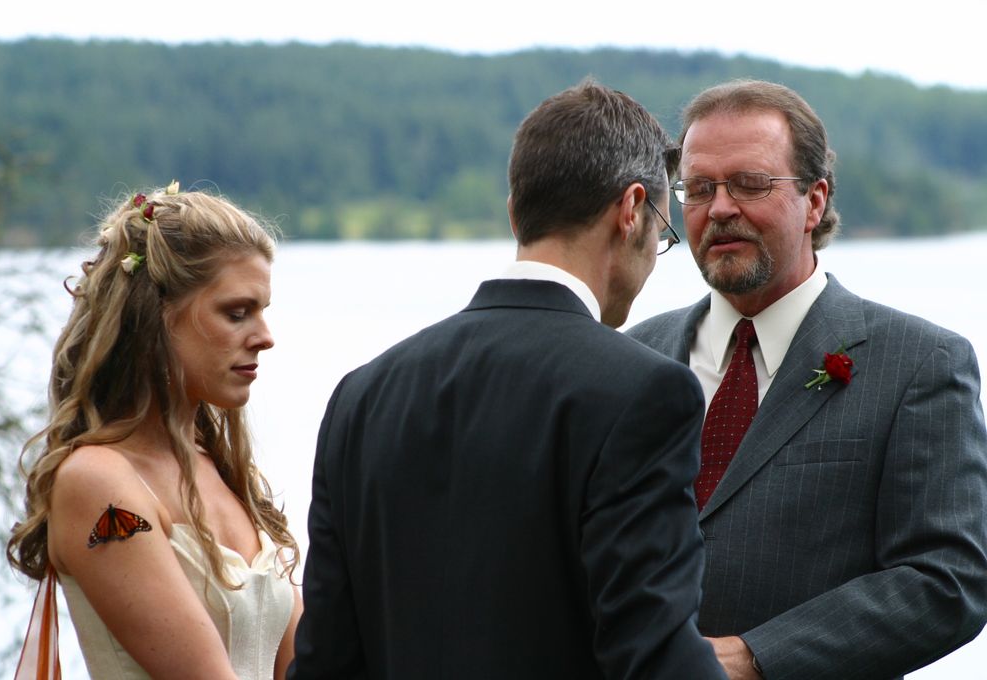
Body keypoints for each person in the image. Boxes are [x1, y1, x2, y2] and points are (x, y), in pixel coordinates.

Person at [288, 79, 725, 679]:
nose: (656, 255)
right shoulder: (643, 391)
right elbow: (653, 651)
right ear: (631, 211)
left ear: (516, 212)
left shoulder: (362, 395)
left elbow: (325, 661)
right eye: (663, 233)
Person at [627, 79, 987, 679]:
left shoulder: (919, 364)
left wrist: (754, 660)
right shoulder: (635, 359)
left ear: (815, 201)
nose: (719, 209)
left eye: (749, 184)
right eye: (699, 188)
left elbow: (948, 580)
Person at [7, 185, 303, 680]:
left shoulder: (224, 470)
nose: (265, 336)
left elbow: (309, 661)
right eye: (237, 312)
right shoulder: (99, 483)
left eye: (263, 310)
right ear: (158, 318)